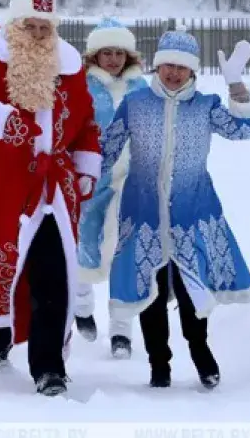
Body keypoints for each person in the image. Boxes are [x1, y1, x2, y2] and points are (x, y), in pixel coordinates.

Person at [0, 0, 101, 396]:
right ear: (14, 22)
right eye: (29, 25)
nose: (37, 33)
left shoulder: (68, 63)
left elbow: (85, 121)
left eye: (44, 26)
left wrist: (86, 165)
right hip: (1, 184)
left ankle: (48, 367)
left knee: (53, 274)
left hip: (54, 189)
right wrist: (0, 120)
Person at [101, 30, 250, 390]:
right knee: (151, 292)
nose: (173, 73)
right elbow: (107, 148)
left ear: (193, 72)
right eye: (167, 65)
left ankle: (202, 354)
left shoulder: (206, 106)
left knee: (192, 290)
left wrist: (235, 86)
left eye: (182, 68)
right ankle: (159, 364)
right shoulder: (136, 103)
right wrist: (79, 175)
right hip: (143, 213)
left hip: (193, 211)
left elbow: (245, 130)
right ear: (157, 66)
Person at [74, 18, 148, 358]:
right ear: (94, 56)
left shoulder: (140, 88)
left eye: (120, 52)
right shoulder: (82, 85)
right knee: (84, 242)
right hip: (91, 176)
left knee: (127, 253)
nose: (114, 59)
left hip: (132, 180)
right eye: (107, 52)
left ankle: (122, 330)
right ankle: (82, 305)